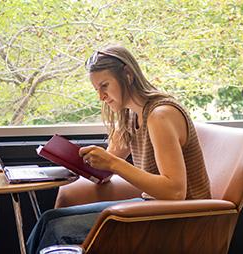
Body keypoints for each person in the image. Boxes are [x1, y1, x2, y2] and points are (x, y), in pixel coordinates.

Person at [26, 45, 211, 254]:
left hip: (181, 218)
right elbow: (106, 167)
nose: (101, 97)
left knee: (55, 228)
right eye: (97, 89)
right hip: (154, 208)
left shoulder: (161, 115)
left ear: (128, 74)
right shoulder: (131, 115)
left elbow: (175, 191)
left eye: (105, 85)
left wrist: (114, 163)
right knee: (48, 220)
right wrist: (69, 163)